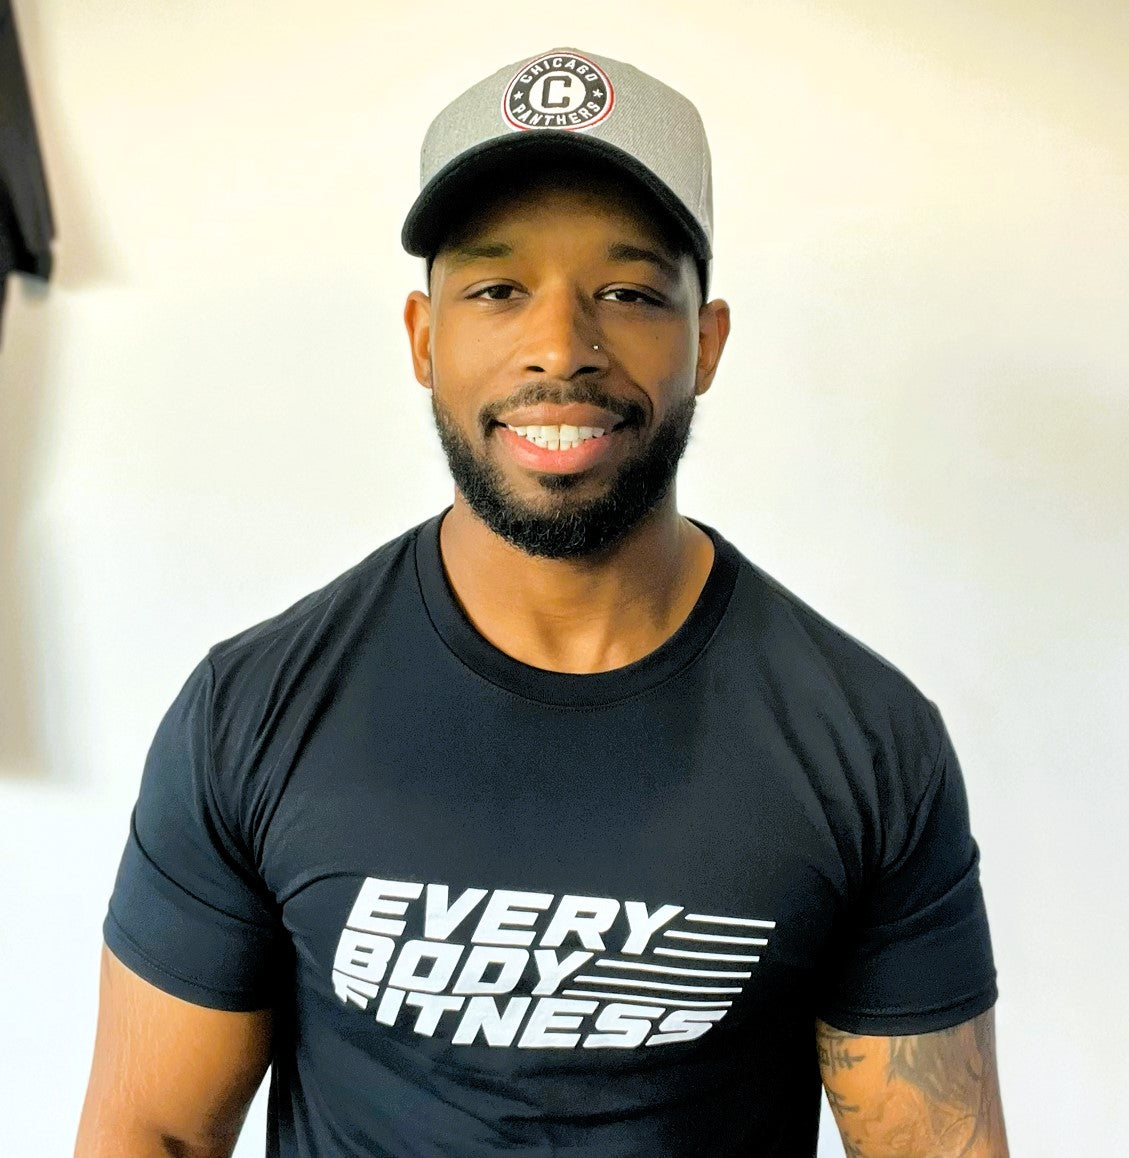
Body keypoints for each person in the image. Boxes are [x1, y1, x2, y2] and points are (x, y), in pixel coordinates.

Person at [75, 47, 1008, 1158]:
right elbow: (152, 1134)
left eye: (626, 291)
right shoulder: (252, 712)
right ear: (425, 340)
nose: (560, 347)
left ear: (704, 344)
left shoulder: (866, 744)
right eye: (498, 289)